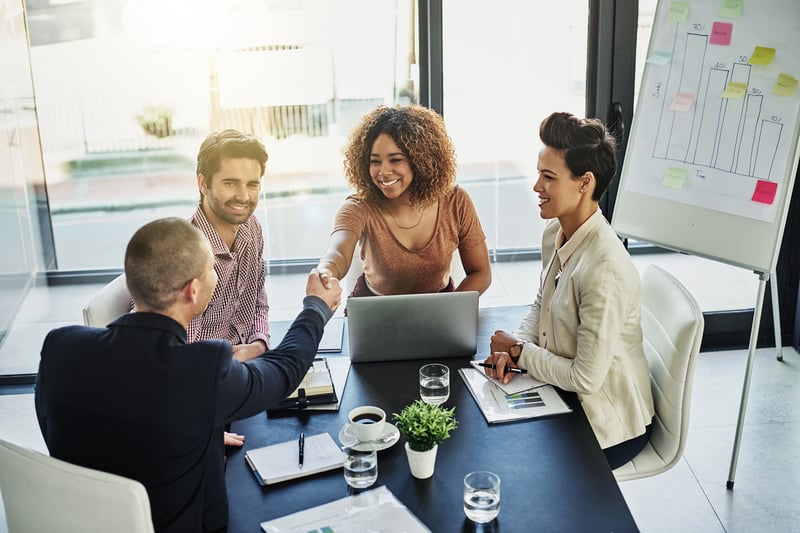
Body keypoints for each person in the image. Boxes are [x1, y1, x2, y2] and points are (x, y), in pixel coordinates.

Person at [35, 217, 341, 533]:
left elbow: (65, 434)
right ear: (192, 291)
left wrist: (189, 431)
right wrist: (315, 308)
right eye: (211, 269)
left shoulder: (59, 346)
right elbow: (282, 372)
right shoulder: (201, 369)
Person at [483, 112, 654, 470]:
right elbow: (541, 302)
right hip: (566, 396)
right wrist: (516, 346)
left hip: (605, 425)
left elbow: (585, 379)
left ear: (584, 183)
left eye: (548, 177)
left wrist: (519, 351)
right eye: (538, 174)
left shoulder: (605, 267)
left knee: (511, 455)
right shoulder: (555, 233)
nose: (536, 187)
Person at [316, 104, 491, 297]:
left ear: (421, 160)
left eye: (395, 160)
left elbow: (481, 272)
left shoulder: (456, 201)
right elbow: (338, 251)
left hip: (441, 303)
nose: (383, 172)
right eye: (375, 161)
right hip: (375, 307)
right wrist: (326, 270)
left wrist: (449, 307)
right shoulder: (358, 207)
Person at [189, 129, 270, 363]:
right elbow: (175, 351)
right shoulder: (183, 252)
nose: (243, 196)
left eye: (252, 184)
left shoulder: (251, 227)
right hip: (205, 376)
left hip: (248, 362)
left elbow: (258, 301)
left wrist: (258, 343)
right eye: (231, 183)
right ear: (203, 183)